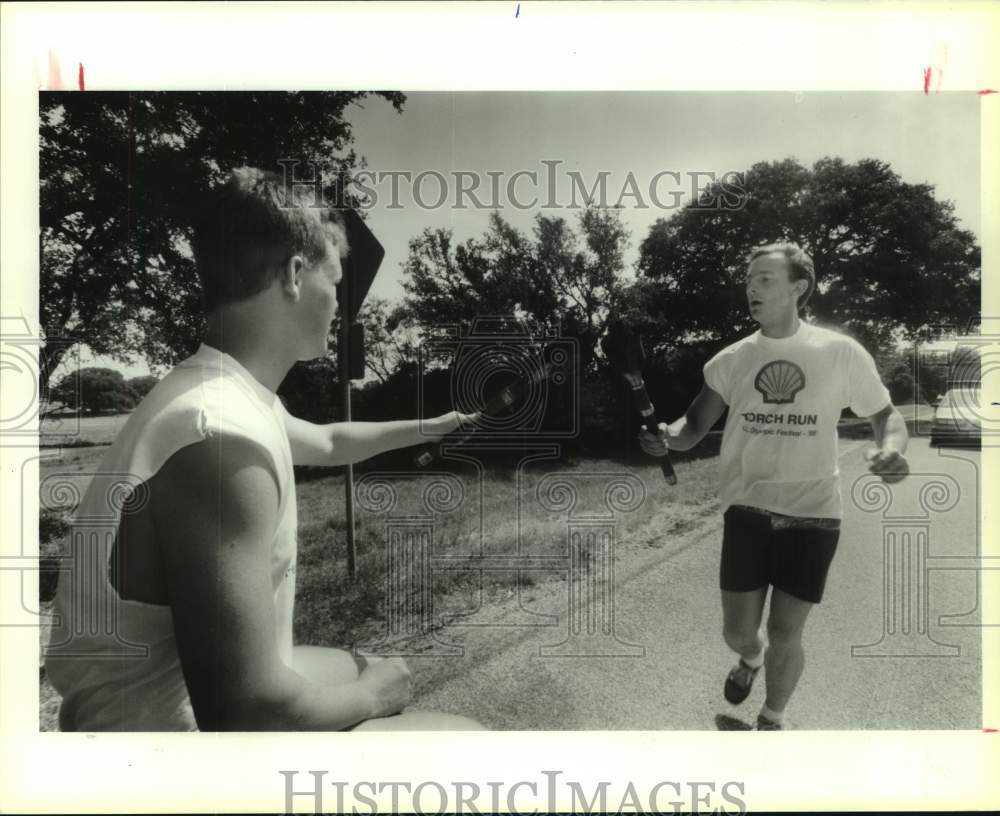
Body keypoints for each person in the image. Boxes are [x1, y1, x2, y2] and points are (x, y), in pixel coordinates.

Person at [45, 168, 483, 732]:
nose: (340, 304)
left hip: (162, 704)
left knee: (357, 664)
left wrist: (438, 425)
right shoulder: (218, 439)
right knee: (462, 737)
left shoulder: (226, 394)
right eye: (336, 280)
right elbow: (244, 710)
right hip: (159, 755)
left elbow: (328, 441)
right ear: (296, 275)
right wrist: (373, 698)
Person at [639, 242, 909, 730]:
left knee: (787, 630)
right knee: (740, 632)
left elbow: (886, 416)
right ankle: (750, 659)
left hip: (816, 513)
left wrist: (892, 448)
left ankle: (772, 717)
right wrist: (666, 439)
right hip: (748, 509)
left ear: (798, 287)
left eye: (764, 279)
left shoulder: (839, 352)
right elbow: (693, 427)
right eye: (748, 280)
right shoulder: (732, 359)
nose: (751, 288)